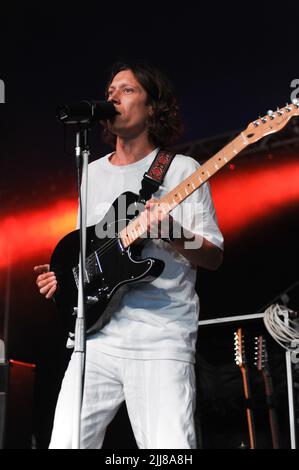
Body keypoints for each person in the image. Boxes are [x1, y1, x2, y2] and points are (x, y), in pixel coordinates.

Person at [34, 61, 224, 449]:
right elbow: (88, 248)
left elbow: (213, 257)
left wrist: (172, 232)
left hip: (161, 337)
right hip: (97, 338)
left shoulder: (182, 170)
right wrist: (67, 276)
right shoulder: (93, 171)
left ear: (153, 106)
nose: (113, 97)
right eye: (110, 91)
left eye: (127, 90)